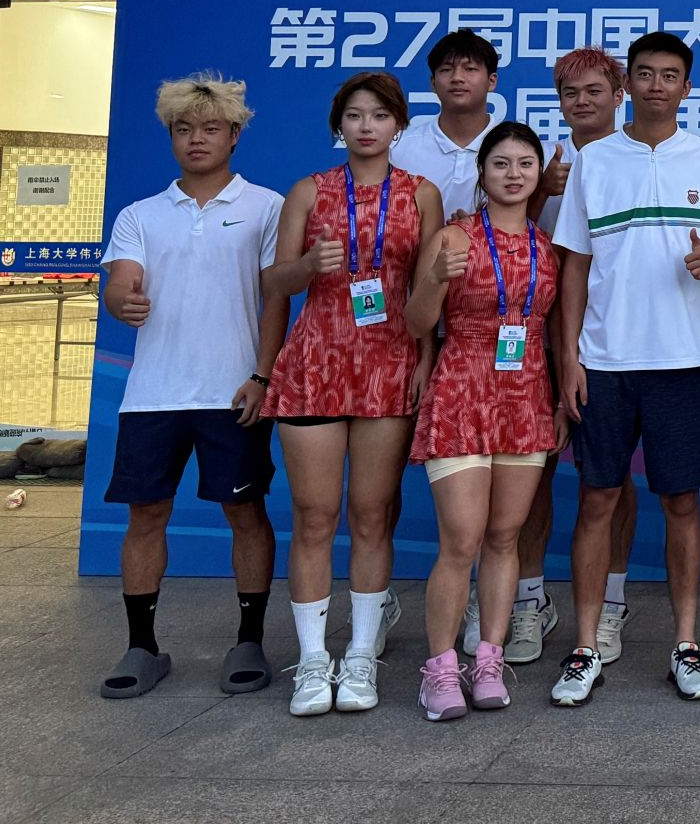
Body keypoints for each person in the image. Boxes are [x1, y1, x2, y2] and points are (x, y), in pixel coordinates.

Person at [550, 32, 700, 707]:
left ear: (687, 87)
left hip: (684, 361)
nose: (658, 86)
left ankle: (685, 643)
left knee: (681, 502)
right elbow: (574, 265)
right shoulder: (594, 160)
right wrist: (570, 357)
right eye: (646, 74)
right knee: (597, 500)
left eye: (671, 75)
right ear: (629, 84)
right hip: (604, 362)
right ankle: (585, 647)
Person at [98, 75, 285, 701]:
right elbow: (120, 283)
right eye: (184, 129)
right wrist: (121, 300)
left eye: (210, 128)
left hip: (233, 391)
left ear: (234, 135)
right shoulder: (139, 215)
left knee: (245, 513)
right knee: (146, 515)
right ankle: (141, 647)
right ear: (171, 137)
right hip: (153, 394)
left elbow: (275, 300)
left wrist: (262, 375)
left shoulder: (267, 206)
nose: (196, 139)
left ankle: (249, 640)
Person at [262, 71, 443, 716]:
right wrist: (308, 266)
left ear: (399, 125)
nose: (367, 126)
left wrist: (426, 362)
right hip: (315, 363)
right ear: (338, 124)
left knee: (371, 513)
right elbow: (275, 282)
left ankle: (362, 654)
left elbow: (429, 289)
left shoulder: (422, 194)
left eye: (380, 115)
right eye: (355, 115)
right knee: (314, 516)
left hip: (388, 364)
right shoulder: (309, 191)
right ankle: (313, 660)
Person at [461, 47, 637, 669]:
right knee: (528, 475)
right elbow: (501, 238)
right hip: (529, 344)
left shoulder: (635, 162)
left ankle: (611, 602)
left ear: (618, 95)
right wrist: (540, 194)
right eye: (570, 92)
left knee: (610, 478)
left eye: (594, 90)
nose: (581, 101)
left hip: (611, 344)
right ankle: (528, 599)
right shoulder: (539, 168)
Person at [404, 122, 561, 721]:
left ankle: (489, 662)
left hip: (525, 395)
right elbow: (417, 323)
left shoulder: (547, 245)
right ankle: (441, 669)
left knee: (504, 538)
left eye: (525, 164)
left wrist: (555, 403)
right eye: (501, 163)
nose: (513, 174)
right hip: (462, 392)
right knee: (461, 540)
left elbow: (553, 329)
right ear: (482, 172)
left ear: (537, 174)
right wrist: (435, 280)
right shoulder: (452, 236)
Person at [391, 28, 499, 219]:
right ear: (433, 83)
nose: (457, 78)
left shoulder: (515, 148)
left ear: (491, 81)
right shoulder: (398, 147)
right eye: (446, 70)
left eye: (470, 69)